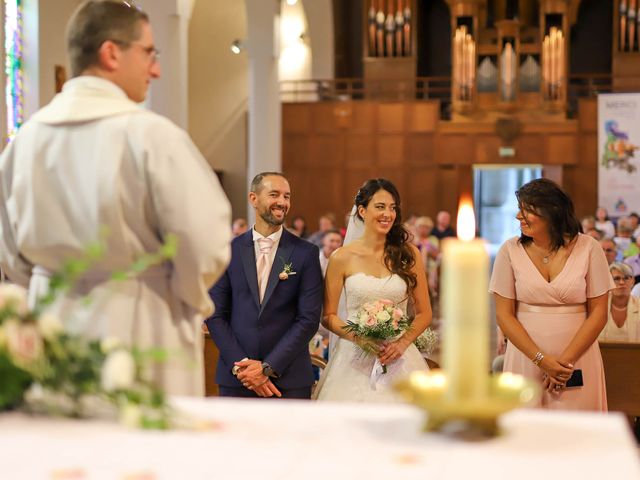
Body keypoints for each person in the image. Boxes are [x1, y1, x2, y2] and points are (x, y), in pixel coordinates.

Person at [0, 1, 231, 396]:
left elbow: (10, 255)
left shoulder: (23, 144)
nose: (155, 69)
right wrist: (183, 299)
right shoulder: (153, 138)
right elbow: (204, 246)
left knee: (66, 450)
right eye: (148, 53)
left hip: (52, 332)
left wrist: (53, 284)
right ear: (111, 53)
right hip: (143, 326)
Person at [489, 178, 614, 411]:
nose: (518, 216)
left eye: (526, 210)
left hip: (577, 356)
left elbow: (598, 312)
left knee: (577, 429)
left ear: (552, 211)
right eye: (519, 209)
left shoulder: (589, 248)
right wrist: (542, 361)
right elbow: (504, 316)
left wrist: (564, 363)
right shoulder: (509, 250)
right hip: (525, 356)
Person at [206, 172, 323, 399]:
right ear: (253, 198)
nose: (282, 202)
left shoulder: (305, 253)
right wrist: (243, 368)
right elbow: (215, 314)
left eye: (287, 196)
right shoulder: (228, 251)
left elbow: (308, 319)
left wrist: (267, 367)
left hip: (288, 380)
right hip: (237, 378)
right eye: (274, 194)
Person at [314, 178, 432, 402]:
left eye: (392, 208)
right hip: (354, 355)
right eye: (380, 207)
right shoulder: (341, 257)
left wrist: (402, 343)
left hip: (399, 354)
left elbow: (425, 313)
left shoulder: (409, 254)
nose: (388, 214)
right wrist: (361, 339)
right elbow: (328, 316)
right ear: (362, 210)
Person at [599, 263, 640, 342]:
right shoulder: (597, 306)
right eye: (617, 278)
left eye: (626, 278)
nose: (621, 282)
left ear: (633, 281)